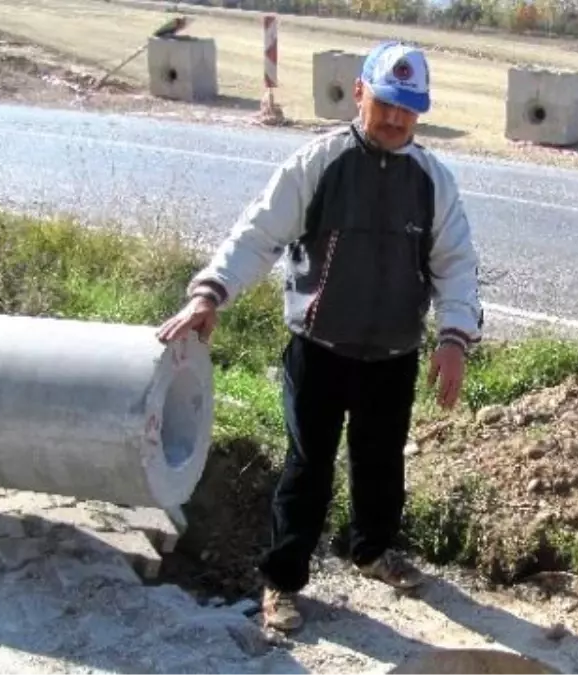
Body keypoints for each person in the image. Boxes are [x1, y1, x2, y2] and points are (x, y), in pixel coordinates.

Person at [155, 40, 483, 632]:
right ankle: (281, 582)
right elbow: (258, 234)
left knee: (382, 463)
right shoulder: (319, 163)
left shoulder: (433, 180)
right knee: (308, 467)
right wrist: (210, 292)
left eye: (409, 109)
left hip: (393, 354)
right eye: (385, 103)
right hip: (319, 350)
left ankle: (372, 550)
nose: (395, 118)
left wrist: (454, 337)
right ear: (360, 92)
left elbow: (455, 263)